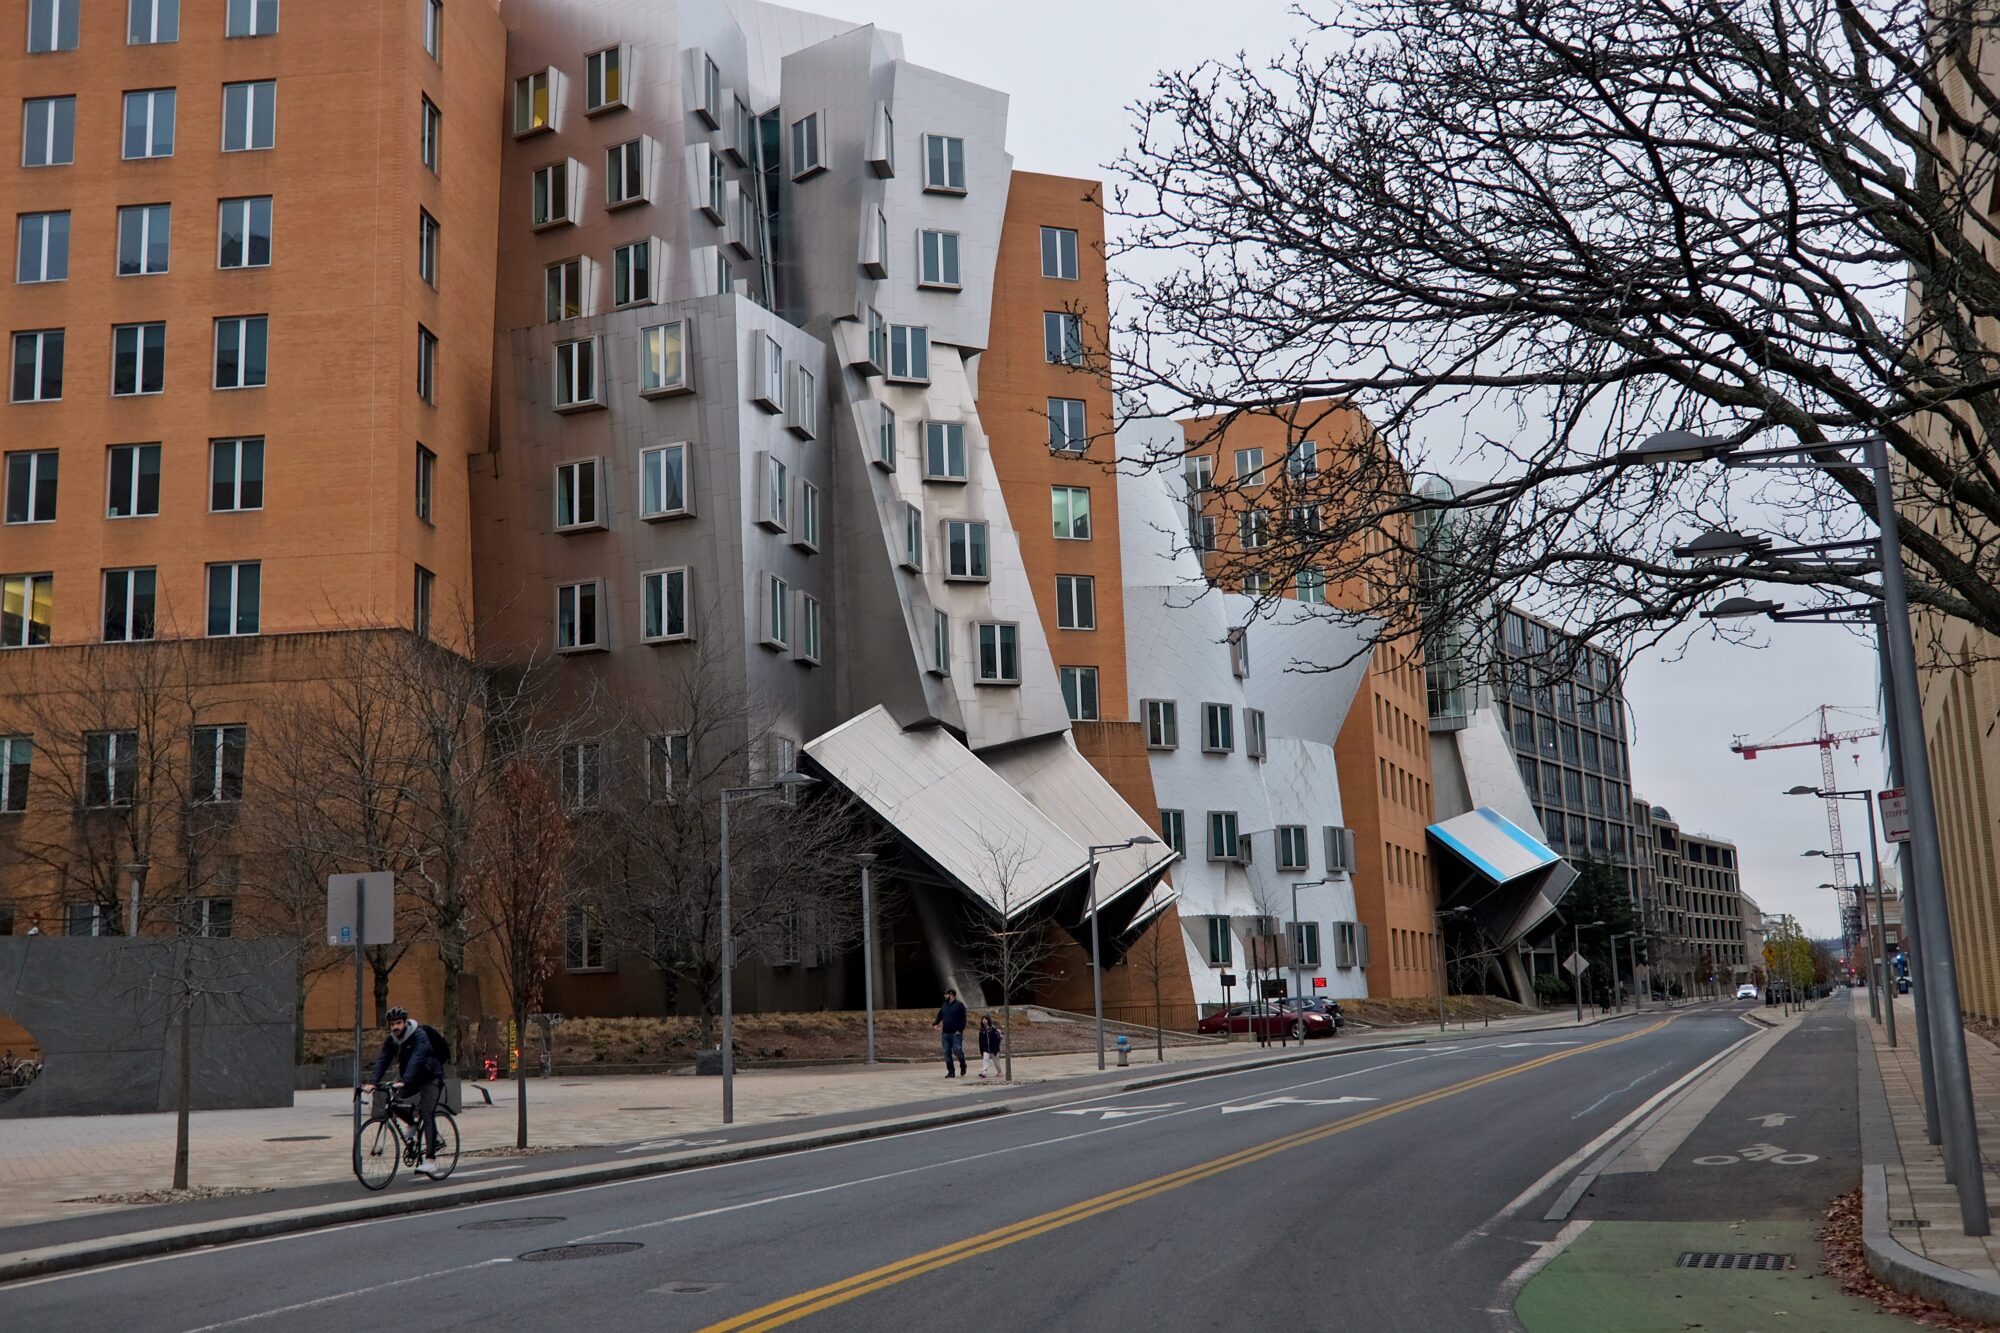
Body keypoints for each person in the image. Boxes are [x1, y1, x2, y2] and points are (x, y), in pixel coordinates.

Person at [362, 1007, 444, 1176]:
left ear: (405, 1023)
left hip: (431, 1077)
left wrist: (404, 1080)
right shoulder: (392, 1040)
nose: (395, 1027)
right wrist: (373, 1083)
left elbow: (417, 1057)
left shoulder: (419, 1035)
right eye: (392, 1024)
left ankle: (430, 1161)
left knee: (427, 1113)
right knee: (394, 1102)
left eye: (398, 1023)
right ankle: (412, 1123)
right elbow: (383, 1059)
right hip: (411, 1078)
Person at [932, 987, 968, 1078]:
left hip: (956, 1034)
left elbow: (963, 1019)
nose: (945, 996)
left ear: (951, 995)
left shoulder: (960, 1005)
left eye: (946, 994)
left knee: (957, 1050)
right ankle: (951, 1072)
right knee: (946, 1052)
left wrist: (959, 1030)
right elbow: (940, 1015)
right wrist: (935, 1023)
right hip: (945, 1034)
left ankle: (963, 1065)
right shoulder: (944, 1005)